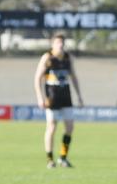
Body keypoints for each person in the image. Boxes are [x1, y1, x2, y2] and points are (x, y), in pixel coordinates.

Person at [33, 33, 83, 169]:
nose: (60, 45)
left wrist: (79, 96)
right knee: (52, 127)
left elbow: (74, 77)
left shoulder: (68, 58)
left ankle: (63, 158)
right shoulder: (47, 58)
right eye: (57, 43)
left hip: (66, 96)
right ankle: (50, 159)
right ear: (52, 44)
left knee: (70, 127)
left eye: (62, 43)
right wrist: (40, 97)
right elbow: (37, 78)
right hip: (52, 97)